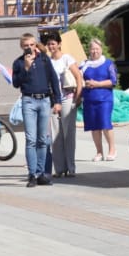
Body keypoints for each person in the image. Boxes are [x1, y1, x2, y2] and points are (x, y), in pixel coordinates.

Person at [11, 32, 62, 187]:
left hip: (44, 100)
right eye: (26, 45)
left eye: (32, 45)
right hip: (29, 100)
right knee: (31, 139)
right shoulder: (19, 63)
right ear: (22, 46)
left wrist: (57, 101)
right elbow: (16, 83)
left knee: (43, 140)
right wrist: (26, 68)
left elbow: (53, 79)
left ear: (35, 45)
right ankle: (32, 174)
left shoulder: (44, 59)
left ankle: (41, 174)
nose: (29, 48)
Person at [44, 31, 83, 177]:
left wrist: (78, 96)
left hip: (67, 98)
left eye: (53, 43)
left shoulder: (67, 59)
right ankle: (59, 168)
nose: (51, 46)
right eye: (49, 44)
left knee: (68, 133)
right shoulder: (47, 61)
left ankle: (71, 167)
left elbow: (78, 76)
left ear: (59, 44)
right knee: (55, 134)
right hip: (53, 100)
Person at [80, 37, 118, 161]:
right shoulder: (84, 65)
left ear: (101, 49)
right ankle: (99, 152)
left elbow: (113, 81)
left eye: (97, 49)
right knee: (94, 127)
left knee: (105, 124)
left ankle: (112, 149)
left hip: (104, 99)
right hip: (89, 99)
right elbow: (78, 79)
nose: (94, 51)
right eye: (92, 49)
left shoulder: (108, 64)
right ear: (89, 50)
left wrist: (97, 84)